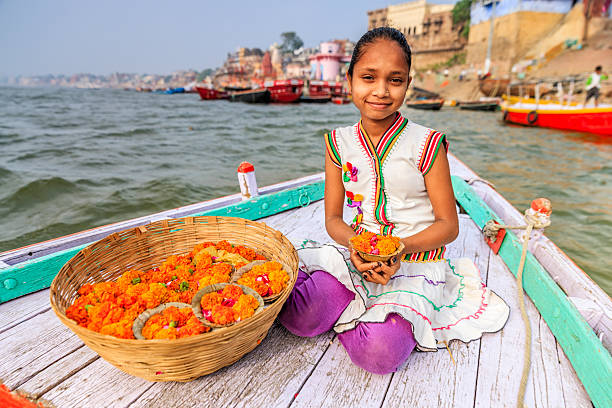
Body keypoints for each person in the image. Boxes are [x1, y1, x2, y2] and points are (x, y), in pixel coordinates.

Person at [278, 27, 509, 375]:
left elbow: (448, 226)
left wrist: (399, 248)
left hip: (415, 261)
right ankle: (351, 307)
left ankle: (355, 314)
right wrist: (355, 245)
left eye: (395, 80)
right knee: (298, 317)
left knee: (379, 354)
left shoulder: (427, 144)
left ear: (407, 84)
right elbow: (333, 220)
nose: (381, 91)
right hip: (356, 255)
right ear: (349, 79)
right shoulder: (337, 144)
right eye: (368, 77)